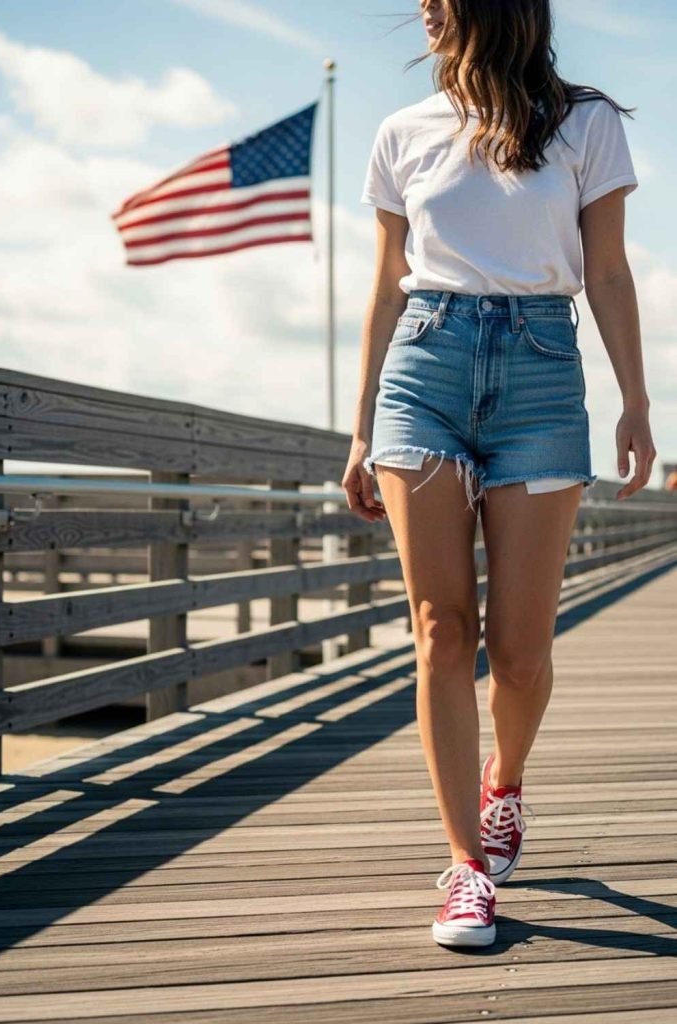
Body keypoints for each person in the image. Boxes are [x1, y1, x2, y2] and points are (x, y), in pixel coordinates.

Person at [342, 0, 656, 949]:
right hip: (424, 368)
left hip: (539, 372)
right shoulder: (403, 132)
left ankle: (504, 785)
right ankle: (464, 866)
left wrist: (635, 402)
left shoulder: (584, 124)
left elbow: (605, 271)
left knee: (518, 652)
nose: (423, 9)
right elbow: (385, 279)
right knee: (441, 629)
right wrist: (358, 430)